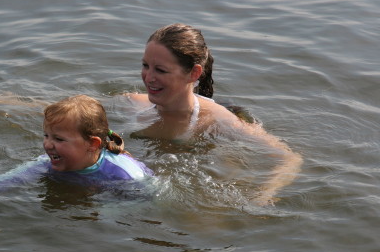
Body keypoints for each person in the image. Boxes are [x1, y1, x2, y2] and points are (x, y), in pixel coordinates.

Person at [125, 23, 302, 205]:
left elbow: (289, 159)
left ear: (194, 73)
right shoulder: (133, 104)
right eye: (145, 65)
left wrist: (263, 194)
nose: (148, 77)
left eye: (160, 70)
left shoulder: (217, 121)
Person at [0, 95, 153, 201]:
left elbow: (148, 198)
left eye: (59, 139)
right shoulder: (47, 162)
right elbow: (6, 180)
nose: (48, 144)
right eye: (46, 136)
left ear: (92, 144)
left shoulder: (125, 174)